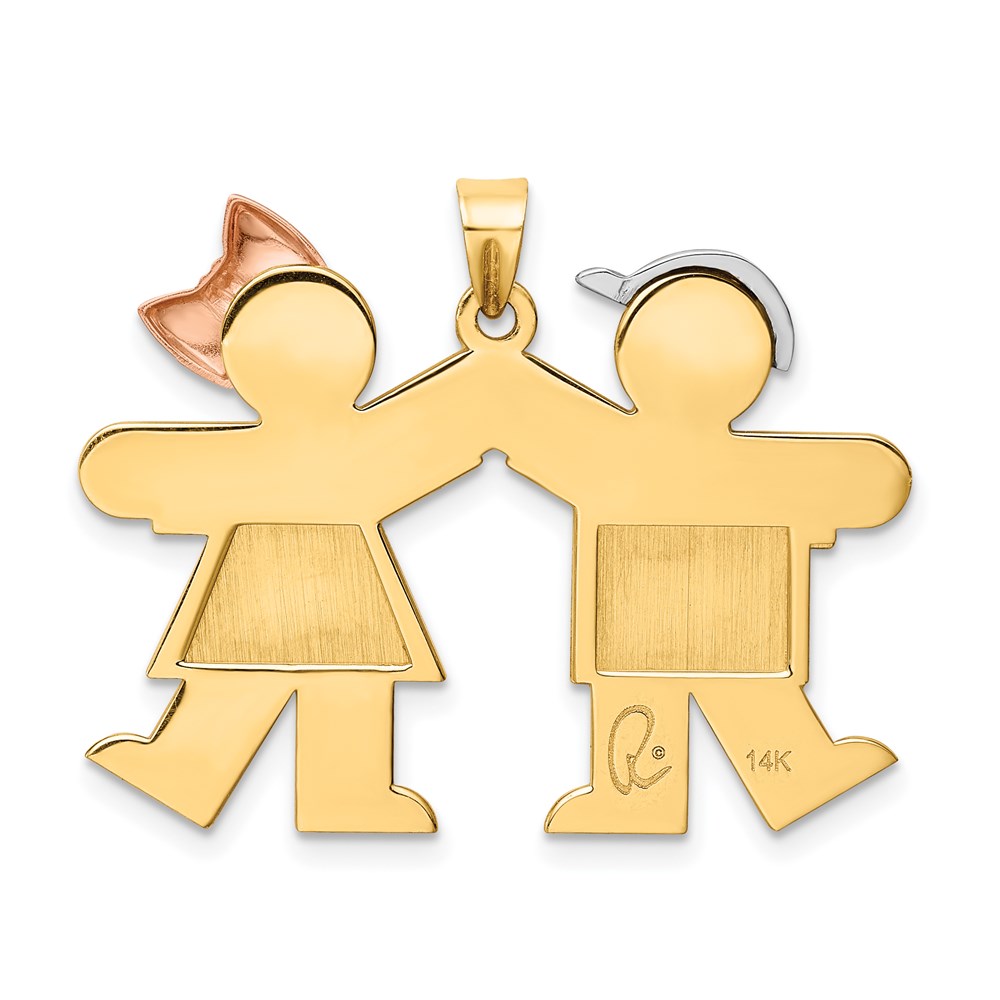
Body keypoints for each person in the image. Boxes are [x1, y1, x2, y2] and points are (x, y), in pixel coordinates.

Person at [470, 270, 911, 831]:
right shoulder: (750, 461)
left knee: (694, 699)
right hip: (706, 613)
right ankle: (784, 779)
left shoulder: (604, 443)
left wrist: (498, 369)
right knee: (739, 698)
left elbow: (519, 415)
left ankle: (650, 801)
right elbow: (874, 481)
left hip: (658, 615)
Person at [82, 265, 495, 831]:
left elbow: (130, 472)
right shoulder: (369, 442)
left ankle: (228, 777)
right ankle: (327, 793)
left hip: (274, 596)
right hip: (333, 597)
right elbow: (448, 426)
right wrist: (489, 374)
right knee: (330, 687)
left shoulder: (283, 452)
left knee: (264, 683)